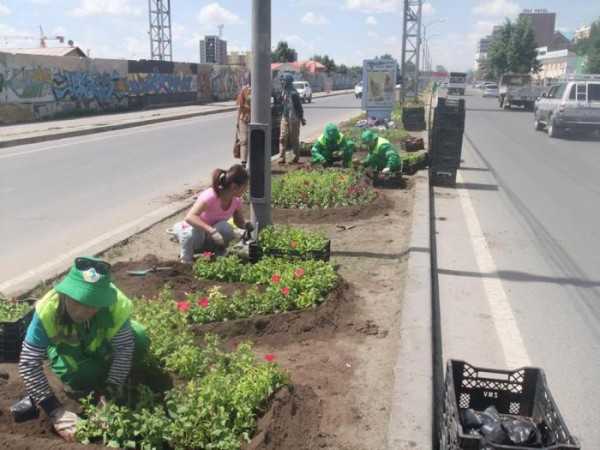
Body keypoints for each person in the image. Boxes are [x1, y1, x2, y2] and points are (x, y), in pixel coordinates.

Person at [18, 257, 149, 442]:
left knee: (139, 339)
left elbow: (124, 348)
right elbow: (28, 362)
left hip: (101, 344)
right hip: (68, 352)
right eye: (78, 301)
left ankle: (114, 376)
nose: (84, 310)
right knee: (83, 376)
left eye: (93, 304)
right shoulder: (47, 310)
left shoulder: (115, 302)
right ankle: (90, 375)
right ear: (66, 293)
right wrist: (55, 410)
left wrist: (109, 395)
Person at [177, 164, 252, 264]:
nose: (246, 190)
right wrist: (212, 231)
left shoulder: (236, 201)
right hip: (194, 235)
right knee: (194, 233)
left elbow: (239, 222)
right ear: (234, 186)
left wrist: (246, 225)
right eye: (245, 186)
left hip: (210, 237)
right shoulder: (211, 196)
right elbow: (190, 217)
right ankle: (186, 259)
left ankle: (217, 256)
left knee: (225, 227)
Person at [278, 74, 306, 164]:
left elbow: (299, 107)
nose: (282, 82)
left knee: (294, 138)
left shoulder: (294, 94)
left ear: (288, 82)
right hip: (285, 117)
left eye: (284, 81)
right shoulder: (283, 91)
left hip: (294, 118)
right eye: (282, 81)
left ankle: (295, 156)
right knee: (282, 137)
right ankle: (281, 157)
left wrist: (301, 118)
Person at [234, 81, 251, 168]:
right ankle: (243, 162)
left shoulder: (260, 89)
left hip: (255, 119)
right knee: (244, 141)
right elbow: (240, 107)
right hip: (244, 118)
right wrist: (237, 121)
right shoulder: (244, 90)